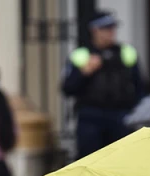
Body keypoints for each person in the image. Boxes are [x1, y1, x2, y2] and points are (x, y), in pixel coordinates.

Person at [61, 10, 145, 159]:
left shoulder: (126, 52)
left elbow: (140, 86)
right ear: (94, 30)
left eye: (112, 28)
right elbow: (67, 88)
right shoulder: (81, 55)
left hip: (120, 115)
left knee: (121, 160)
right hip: (90, 117)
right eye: (105, 29)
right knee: (91, 161)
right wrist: (84, 73)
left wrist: (134, 110)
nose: (110, 32)